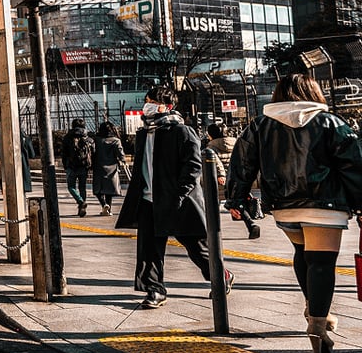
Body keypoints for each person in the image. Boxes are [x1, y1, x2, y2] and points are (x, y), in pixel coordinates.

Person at [227, 74, 362, 353]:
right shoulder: (330, 123)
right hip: (324, 204)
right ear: (313, 92)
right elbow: (353, 166)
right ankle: (317, 324)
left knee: (303, 253)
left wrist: (236, 197)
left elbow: (242, 162)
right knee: (322, 263)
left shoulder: (260, 125)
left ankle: (314, 308)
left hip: (283, 204)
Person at [116, 85, 231, 310]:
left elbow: (194, 166)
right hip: (149, 200)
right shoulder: (144, 133)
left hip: (179, 199)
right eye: (146, 101)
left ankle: (221, 276)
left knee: (196, 246)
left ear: (166, 106)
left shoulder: (182, 132)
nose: (146, 105)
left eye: (151, 101)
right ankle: (155, 289)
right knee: (149, 248)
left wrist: (180, 193)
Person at [205, 123, 262, 239]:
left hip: (224, 180)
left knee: (218, 204)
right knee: (237, 201)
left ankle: (214, 231)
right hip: (239, 178)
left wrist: (221, 174)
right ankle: (251, 224)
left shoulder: (211, 147)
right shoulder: (236, 142)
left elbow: (215, 161)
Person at [61, 119, 95, 216]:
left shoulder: (67, 138)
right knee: (82, 187)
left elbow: (64, 153)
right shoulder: (88, 138)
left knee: (71, 187)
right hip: (84, 166)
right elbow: (93, 151)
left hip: (71, 166)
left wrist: (65, 165)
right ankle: (82, 207)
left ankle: (80, 201)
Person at [92, 123, 124, 216]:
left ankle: (104, 204)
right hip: (112, 167)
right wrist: (123, 160)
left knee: (98, 189)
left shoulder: (96, 140)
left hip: (98, 166)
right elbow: (120, 152)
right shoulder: (116, 141)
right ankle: (108, 209)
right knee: (109, 189)